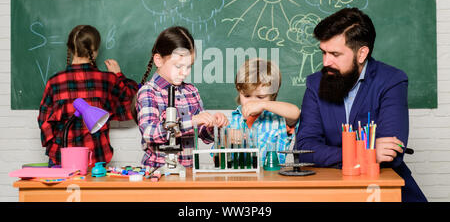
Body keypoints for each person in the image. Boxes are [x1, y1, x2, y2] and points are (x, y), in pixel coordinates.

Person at [296, 7, 427, 202]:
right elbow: (305, 150)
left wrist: (333, 155)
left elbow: (392, 155)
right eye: (323, 52)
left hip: (382, 187)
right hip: (329, 186)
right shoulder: (315, 84)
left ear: (362, 53)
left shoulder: (392, 81)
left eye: (335, 54)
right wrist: (366, 153)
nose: (326, 62)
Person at [38, 25, 138, 167]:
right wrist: (118, 75)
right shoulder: (107, 80)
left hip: (61, 159)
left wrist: (55, 146)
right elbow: (133, 100)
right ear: (94, 50)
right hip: (95, 158)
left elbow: (44, 121)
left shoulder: (54, 82)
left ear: (70, 48)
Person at [135, 26, 229, 168]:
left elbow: (205, 136)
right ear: (159, 60)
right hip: (158, 173)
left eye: (188, 66)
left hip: (188, 173)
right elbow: (150, 133)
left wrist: (213, 125)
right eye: (178, 66)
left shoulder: (191, 91)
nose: (184, 72)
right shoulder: (148, 92)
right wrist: (191, 122)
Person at [227, 58, 300, 165]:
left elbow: (295, 112)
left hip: (272, 178)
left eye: (260, 97)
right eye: (247, 96)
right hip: (241, 179)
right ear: (239, 90)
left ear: (273, 95)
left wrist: (263, 105)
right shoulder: (233, 120)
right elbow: (219, 158)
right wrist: (226, 140)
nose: (253, 102)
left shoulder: (279, 118)